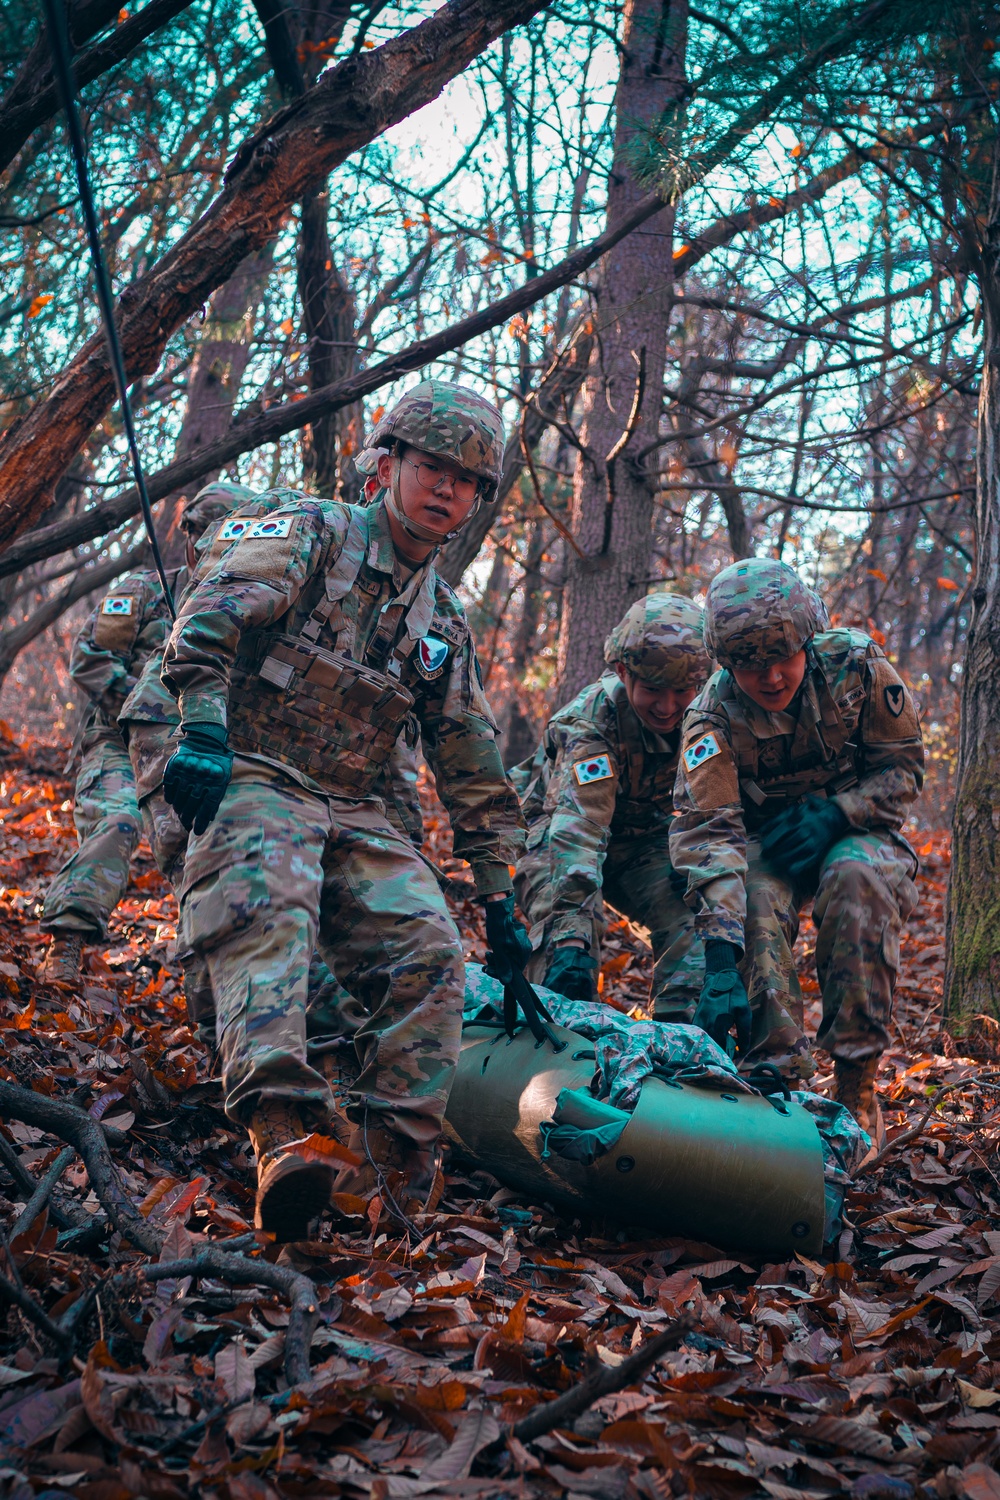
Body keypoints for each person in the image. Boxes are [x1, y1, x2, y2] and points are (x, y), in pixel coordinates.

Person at [158, 380, 527, 1239]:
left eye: (467, 481)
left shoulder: (443, 622)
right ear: (388, 463)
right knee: (270, 902)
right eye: (432, 467)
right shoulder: (313, 530)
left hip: (353, 804)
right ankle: (279, 1135)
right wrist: (202, 728)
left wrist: (500, 895)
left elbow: (469, 758)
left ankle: (396, 1165)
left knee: (430, 944)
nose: (447, 490)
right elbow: (212, 611)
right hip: (247, 768)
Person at [670, 557, 924, 1133]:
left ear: (808, 639)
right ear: (726, 663)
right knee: (753, 902)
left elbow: (904, 768)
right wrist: (717, 960)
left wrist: (839, 813)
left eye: (783, 658)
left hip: (857, 834)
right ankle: (772, 1078)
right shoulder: (709, 717)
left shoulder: (856, 666)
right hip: (767, 850)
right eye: (748, 666)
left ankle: (857, 1084)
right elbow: (707, 835)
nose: (771, 678)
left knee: (857, 877)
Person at [38, 484, 244, 985]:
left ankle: (214, 977)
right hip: (115, 742)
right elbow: (90, 658)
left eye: (228, 532)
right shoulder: (146, 590)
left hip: (202, 752)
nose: (212, 542)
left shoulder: (251, 604)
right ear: (189, 535)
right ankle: (68, 938)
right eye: (202, 530)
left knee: (222, 846)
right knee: (118, 821)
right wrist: (143, 705)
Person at [512, 593, 711, 1017]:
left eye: (682, 691)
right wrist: (569, 935)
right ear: (623, 672)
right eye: (653, 690)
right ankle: (549, 1047)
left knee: (693, 917)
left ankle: (678, 1043)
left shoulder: (705, 718)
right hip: (556, 838)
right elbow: (577, 832)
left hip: (638, 844)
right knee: (570, 943)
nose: (667, 706)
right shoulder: (590, 724)